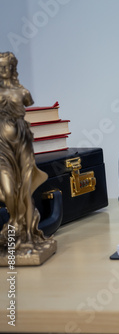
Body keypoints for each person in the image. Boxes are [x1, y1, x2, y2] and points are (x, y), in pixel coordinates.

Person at [0, 51, 48, 247]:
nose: (3, 71)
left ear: (13, 69)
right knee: (9, 191)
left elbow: (28, 104)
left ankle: (28, 234)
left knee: (26, 190)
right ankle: (14, 223)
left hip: (22, 144)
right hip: (2, 148)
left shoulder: (23, 93)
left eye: (6, 67)